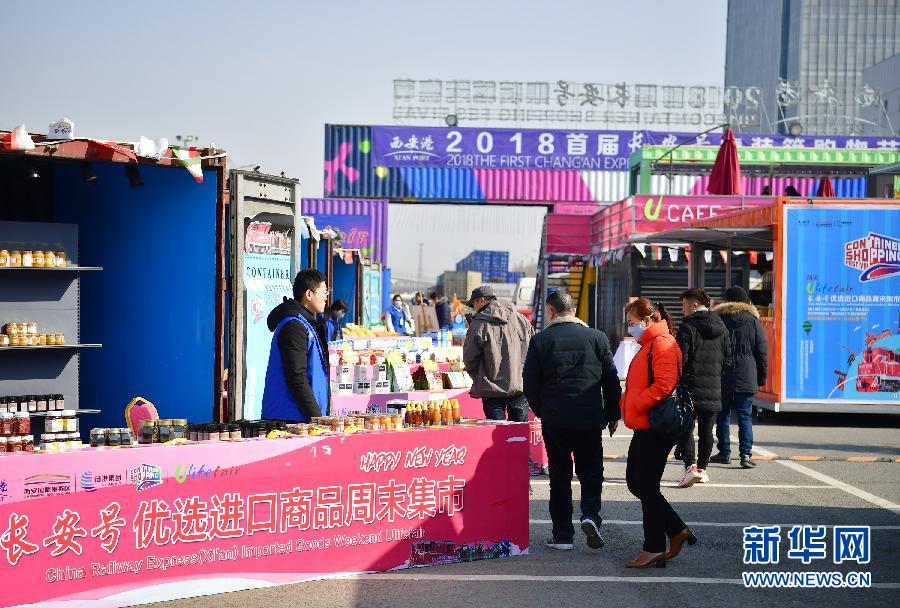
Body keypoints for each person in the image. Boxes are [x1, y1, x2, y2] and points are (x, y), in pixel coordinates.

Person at [523, 291, 621, 551]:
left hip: (556, 419)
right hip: (589, 418)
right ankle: (590, 514)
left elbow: (530, 383)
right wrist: (613, 414)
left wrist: (542, 410)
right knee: (591, 471)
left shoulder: (541, 340)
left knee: (559, 475)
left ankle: (563, 535)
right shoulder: (598, 338)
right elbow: (611, 381)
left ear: (551, 312)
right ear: (574, 311)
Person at [621, 298, 696, 569]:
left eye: (632, 322)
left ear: (647, 319)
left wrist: (636, 403)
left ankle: (653, 547)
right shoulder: (650, 343)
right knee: (636, 483)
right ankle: (676, 529)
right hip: (645, 424)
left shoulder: (662, 343)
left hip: (656, 426)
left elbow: (664, 385)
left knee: (646, 486)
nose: (630, 327)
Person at [674, 288, 732, 488]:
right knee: (707, 431)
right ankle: (702, 469)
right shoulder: (721, 327)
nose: (682, 309)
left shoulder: (687, 327)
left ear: (695, 304)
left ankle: (690, 467)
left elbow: (681, 359)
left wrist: (681, 379)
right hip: (713, 387)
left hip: (690, 387)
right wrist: (715, 375)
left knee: (686, 428)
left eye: (684, 305)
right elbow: (728, 360)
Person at [261, 269, 330, 421]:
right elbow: (296, 377)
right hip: (291, 419)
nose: (326, 298)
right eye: (324, 293)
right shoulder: (294, 326)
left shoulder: (307, 324)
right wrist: (316, 417)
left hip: (304, 418)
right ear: (309, 294)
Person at [711, 286, 768, 469]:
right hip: (747, 374)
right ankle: (745, 454)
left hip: (722, 374)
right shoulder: (753, 321)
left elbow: (711, 348)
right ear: (745, 301)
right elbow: (761, 351)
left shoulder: (718, 320)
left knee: (723, 415)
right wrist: (762, 377)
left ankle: (724, 452)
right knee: (745, 416)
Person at [463, 285, 534, 422]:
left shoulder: (478, 324)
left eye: (473, 304)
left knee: (497, 430)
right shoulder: (521, 319)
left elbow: (469, 358)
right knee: (519, 431)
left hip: (491, 388)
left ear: (481, 300)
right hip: (519, 385)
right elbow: (532, 349)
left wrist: (478, 376)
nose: (473, 308)